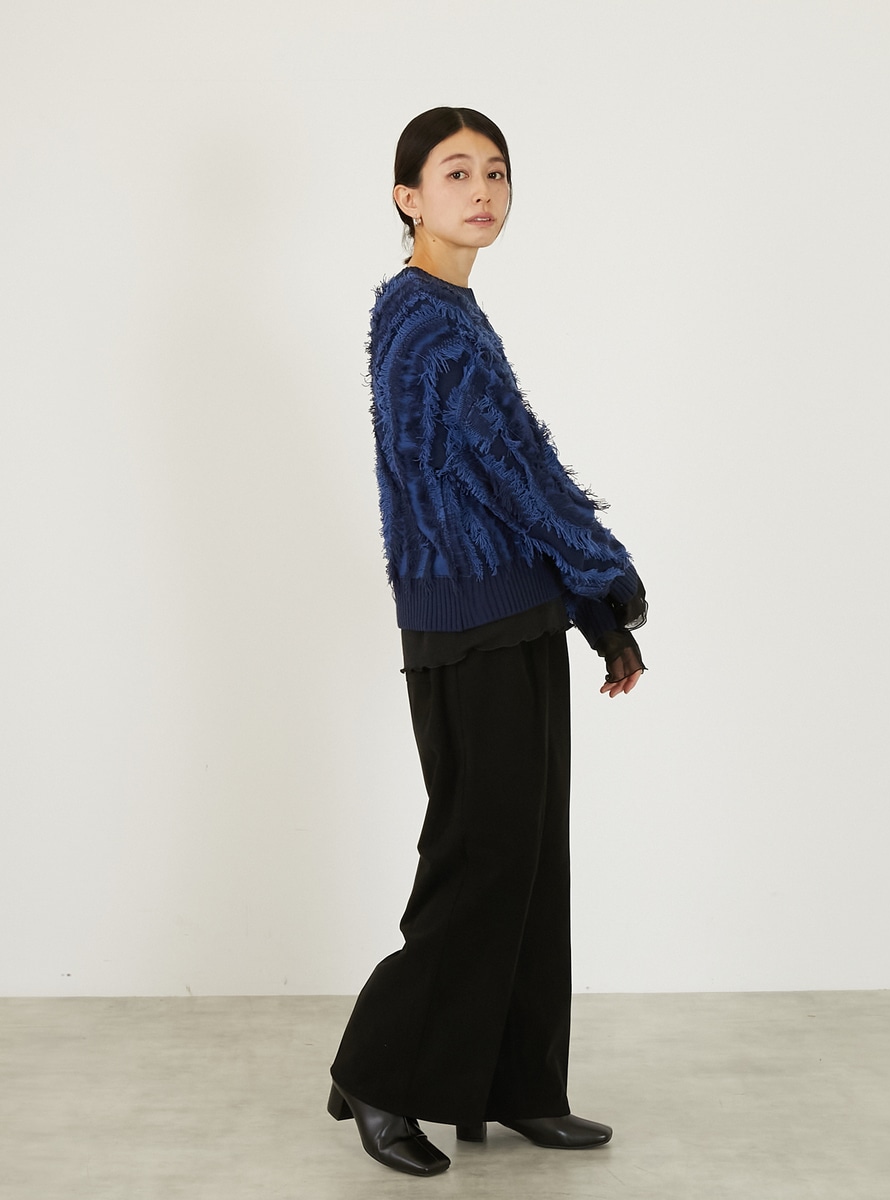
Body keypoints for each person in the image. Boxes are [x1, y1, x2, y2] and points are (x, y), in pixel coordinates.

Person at [328, 106, 646, 1178]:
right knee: (483, 860)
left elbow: (505, 483)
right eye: (456, 172)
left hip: (510, 616)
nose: (482, 190)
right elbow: (510, 471)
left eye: (497, 172)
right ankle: (378, 1071)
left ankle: (515, 1085)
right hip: (468, 630)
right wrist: (606, 574)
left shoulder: (451, 310)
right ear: (407, 197)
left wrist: (586, 610)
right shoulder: (425, 319)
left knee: (527, 860)